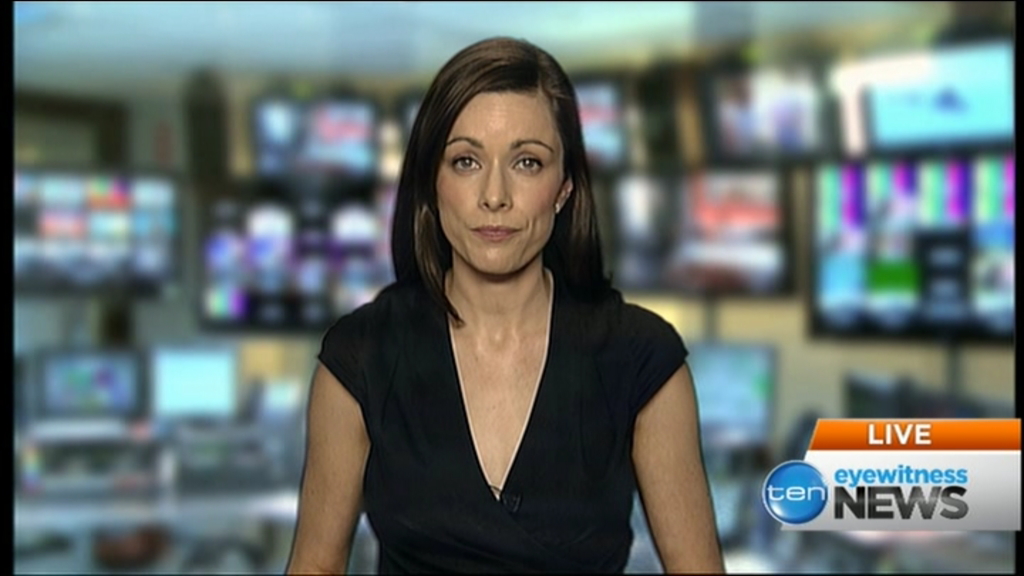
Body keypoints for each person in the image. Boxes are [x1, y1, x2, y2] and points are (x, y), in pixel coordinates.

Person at [286, 36, 725, 574]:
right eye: (466, 161)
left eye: (527, 162)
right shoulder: (361, 356)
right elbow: (315, 566)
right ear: (431, 181)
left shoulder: (641, 359)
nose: (494, 196)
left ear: (564, 187)